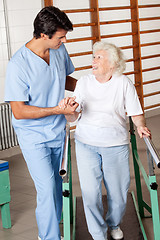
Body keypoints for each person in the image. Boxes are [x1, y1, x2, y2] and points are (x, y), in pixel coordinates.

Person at [59, 41, 151, 240]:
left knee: (118, 195)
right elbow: (74, 117)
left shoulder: (123, 83)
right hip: (86, 144)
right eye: (93, 57)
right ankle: (98, 234)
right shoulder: (84, 82)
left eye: (98, 57)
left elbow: (136, 113)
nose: (93, 60)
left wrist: (140, 126)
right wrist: (68, 111)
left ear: (113, 63)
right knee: (90, 194)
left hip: (115, 145)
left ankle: (114, 223)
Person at [5, 6, 78, 240]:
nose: (64, 40)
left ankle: (54, 224)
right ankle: (48, 237)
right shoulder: (18, 64)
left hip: (58, 131)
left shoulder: (58, 49)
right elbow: (19, 111)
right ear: (43, 35)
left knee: (57, 187)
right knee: (46, 189)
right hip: (33, 137)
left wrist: (95, 87)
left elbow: (63, 77)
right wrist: (57, 109)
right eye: (60, 36)